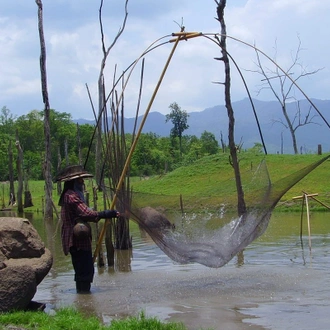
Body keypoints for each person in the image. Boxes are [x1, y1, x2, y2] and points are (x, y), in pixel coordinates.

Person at [56, 164, 119, 294]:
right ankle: (83, 294)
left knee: (84, 269)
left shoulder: (73, 194)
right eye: (80, 180)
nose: (82, 182)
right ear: (73, 181)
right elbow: (87, 214)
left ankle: (83, 297)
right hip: (76, 241)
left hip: (80, 240)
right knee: (84, 270)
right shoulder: (71, 196)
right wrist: (106, 213)